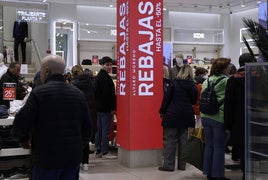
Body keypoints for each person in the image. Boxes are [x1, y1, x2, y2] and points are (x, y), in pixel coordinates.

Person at [11, 55, 92, 180]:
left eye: (42, 70)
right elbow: (88, 127)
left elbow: (21, 122)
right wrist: (78, 145)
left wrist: (23, 139)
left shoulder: (39, 94)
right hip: (72, 158)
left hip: (46, 158)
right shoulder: (78, 94)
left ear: (47, 71)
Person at [158, 64, 198, 171]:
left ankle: (169, 165)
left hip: (172, 114)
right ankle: (182, 165)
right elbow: (194, 101)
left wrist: (162, 111)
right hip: (187, 115)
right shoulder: (193, 86)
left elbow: (167, 98)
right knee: (184, 141)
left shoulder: (174, 83)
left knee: (170, 140)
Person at [224, 53, 255, 180]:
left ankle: (245, 172)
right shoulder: (258, 78)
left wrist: (228, 124)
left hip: (238, 120)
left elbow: (228, 103)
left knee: (242, 147)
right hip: (255, 119)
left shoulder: (232, 80)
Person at [201, 58, 230, 180]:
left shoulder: (206, 81)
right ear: (223, 68)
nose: (229, 68)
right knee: (219, 147)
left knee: (209, 145)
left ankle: (209, 173)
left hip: (205, 116)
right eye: (228, 66)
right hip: (219, 117)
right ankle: (218, 175)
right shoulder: (226, 81)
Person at [71, 65, 95, 171]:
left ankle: (77, 161)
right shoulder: (90, 82)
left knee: (76, 139)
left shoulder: (73, 84)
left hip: (76, 114)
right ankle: (85, 162)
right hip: (89, 112)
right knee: (86, 138)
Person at [94, 56, 116, 158]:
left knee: (99, 130)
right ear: (102, 65)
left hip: (98, 108)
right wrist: (112, 107)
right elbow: (108, 95)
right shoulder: (106, 78)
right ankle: (105, 151)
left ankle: (98, 149)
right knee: (105, 131)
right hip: (105, 108)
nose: (109, 67)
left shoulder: (98, 77)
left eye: (110, 65)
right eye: (107, 65)